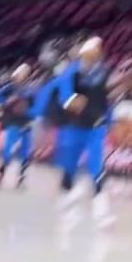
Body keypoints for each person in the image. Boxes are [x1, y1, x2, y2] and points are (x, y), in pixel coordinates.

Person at [56, 36, 113, 224]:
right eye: (91, 53)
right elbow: (65, 98)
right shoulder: (71, 73)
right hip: (74, 128)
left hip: (96, 128)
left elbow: (105, 100)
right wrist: (73, 102)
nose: (95, 56)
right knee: (69, 167)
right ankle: (65, 196)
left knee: (97, 166)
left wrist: (108, 120)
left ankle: (101, 209)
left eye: (98, 52)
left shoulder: (103, 72)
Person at [0, 63, 35, 191]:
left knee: (26, 152)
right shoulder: (10, 88)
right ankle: (0, 178)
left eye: (24, 73)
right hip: (13, 122)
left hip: (26, 123)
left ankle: (21, 178)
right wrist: (5, 103)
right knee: (8, 149)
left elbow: (35, 105)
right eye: (20, 73)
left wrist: (32, 117)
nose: (22, 76)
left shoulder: (31, 89)